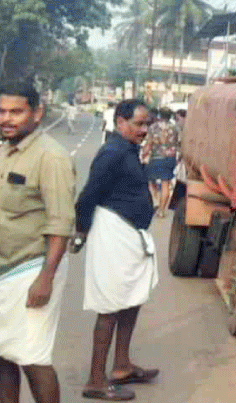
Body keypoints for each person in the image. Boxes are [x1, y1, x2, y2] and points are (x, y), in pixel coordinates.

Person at [76, 99, 158, 401]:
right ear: (120, 122)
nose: (144, 130)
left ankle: (121, 365)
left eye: (147, 124)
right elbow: (88, 195)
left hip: (131, 234)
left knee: (132, 299)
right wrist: (81, 231)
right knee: (110, 306)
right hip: (113, 232)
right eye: (138, 124)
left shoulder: (128, 150)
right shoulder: (111, 152)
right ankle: (96, 380)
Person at [0, 81, 76, 403]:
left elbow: (61, 223)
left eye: (16, 111)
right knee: (3, 352)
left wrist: (45, 278)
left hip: (32, 267)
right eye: (2, 111)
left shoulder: (51, 157)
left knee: (33, 358)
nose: (7, 118)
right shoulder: (5, 150)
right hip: (4, 269)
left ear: (37, 113)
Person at [143, 108, 178, 218]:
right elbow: (179, 143)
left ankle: (156, 200)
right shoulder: (175, 128)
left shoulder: (153, 127)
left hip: (156, 157)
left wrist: (144, 153)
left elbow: (149, 143)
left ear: (159, 115)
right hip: (170, 158)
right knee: (165, 184)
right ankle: (162, 211)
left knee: (150, 180)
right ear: (170, 116)